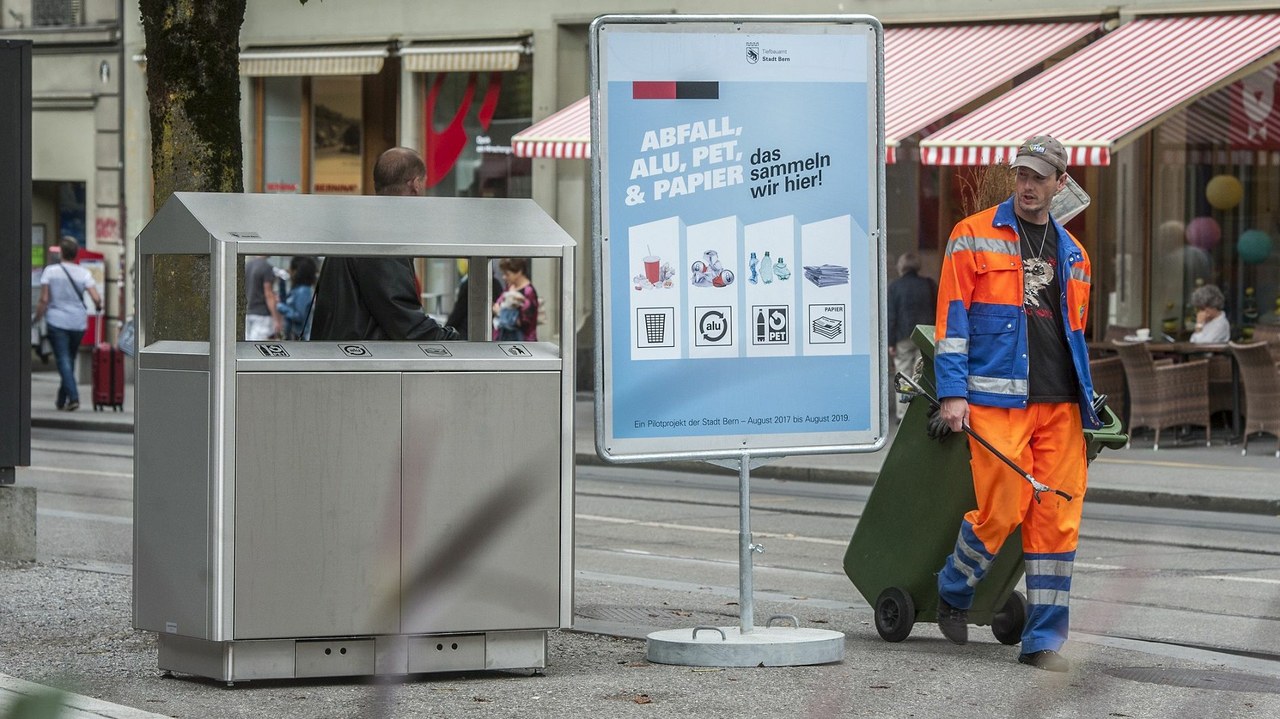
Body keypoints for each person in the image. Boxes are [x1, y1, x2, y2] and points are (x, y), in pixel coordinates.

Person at [932, 135, 1100, 673]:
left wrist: (1089, 402)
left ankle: (1044, 641)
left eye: (1039, 178)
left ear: (1059, 185)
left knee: (1057, 520)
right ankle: (954, 588)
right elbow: (951, 321)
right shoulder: (973, 235)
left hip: (1061, 405)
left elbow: (1074, 335)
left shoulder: (1075, 256)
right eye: (1022, 176)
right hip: (996, 399)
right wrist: (952, 393)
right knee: (1003, 506)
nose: (1028, 186)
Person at [310, 147, 460, 341]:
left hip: (338, 355)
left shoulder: (356, 227)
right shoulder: (384, 235)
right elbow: (405, 322)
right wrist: (454, 341)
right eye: (424, 183)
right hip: (363, 363)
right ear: (415, 184)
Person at [34, 237, 103, 411]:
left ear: (61, 253)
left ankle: (73, 397)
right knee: (69, 359)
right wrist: (98, 305)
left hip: (56, 321)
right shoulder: (84, 273)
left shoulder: (50, 271)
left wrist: (36, 317)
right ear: (76, 253)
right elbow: (96, 298)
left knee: (63, 360)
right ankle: (60, 400)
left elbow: (44, 299)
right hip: (78, 323)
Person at [886, 251, 937, 420]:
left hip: (903, 336)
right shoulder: (929, 284)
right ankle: (921, 414)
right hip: (926, 335)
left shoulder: (895, 286)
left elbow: (892, 316)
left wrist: (891, 342)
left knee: (903, 374)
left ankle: (903, 414)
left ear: (901, 266)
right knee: (924, 375)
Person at [445, 260, 504, 338]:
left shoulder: (468, 284)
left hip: (467, 331)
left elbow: (458, 311)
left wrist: (446, 329)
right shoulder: (496, 284)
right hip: (488, 332)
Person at [491, 257, 538, 341]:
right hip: (503, 338)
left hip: (522, 342)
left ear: (519, 272)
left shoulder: (528, 292)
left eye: (507, 274)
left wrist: (501, 314)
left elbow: (524, 321)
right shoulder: (510, 286)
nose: (504, 277)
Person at [277, 256, 318, 340]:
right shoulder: (297, 289)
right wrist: (282, 284)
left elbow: (299, 316)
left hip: (299, 337)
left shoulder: (303, 291)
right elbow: (286, 302)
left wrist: (282, 308)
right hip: (291, 335)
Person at [244, 255, 282, 341]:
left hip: (248, 312)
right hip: (262, 314)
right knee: (258, 348)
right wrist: (276, 319)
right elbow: (268, 293)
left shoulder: (247, 266)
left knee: (247, 345)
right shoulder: (266, 268)